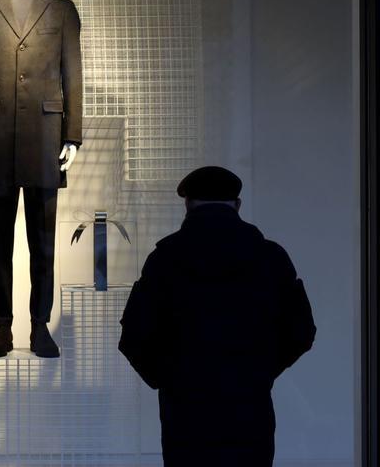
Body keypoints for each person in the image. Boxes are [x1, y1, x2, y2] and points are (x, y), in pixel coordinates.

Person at [119, 166, 316, 467]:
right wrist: (261, 372)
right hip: (249, 407)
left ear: (188, 205)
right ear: (237, 205)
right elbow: (301, 331)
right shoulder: (270, 257)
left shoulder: (164, 259)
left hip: (185, 411)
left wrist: (169, 379)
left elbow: (133, 336)